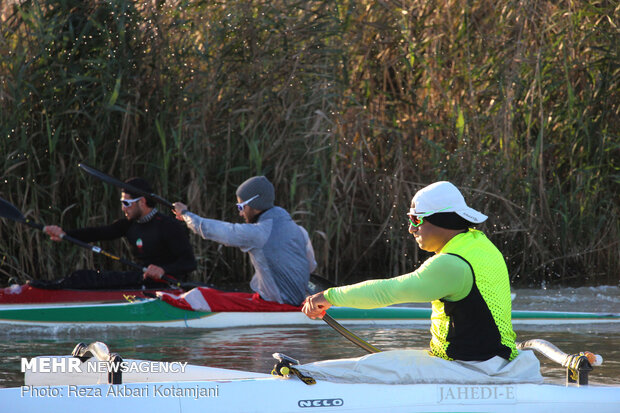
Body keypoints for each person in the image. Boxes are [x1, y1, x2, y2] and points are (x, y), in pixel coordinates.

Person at [303, 181, 518, 362]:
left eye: (416, 219)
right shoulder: (480, 244)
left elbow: (387, 292)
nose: (411, 228)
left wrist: (329, 295)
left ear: (441, 220)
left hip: (472, 369)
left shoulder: (451, 264)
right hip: (491, 360)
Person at [172, 176, 317, 306]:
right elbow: (311, 266)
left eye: (241, 206)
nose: (240, 213)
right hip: (299, 303)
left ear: (255, 204)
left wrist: (185, 214)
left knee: (197, 296)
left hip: (276, 306)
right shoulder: (300, 230)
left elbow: (212, 230)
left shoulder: (259, 233)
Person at [41, 178, 197, 289]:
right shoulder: (129, 224)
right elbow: (98, 233)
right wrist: (64, 233)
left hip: (166, 284)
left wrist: (164, 270)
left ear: (142, 202)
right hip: (140, 280)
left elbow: (189, 263)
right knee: (82, 277)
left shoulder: (169, 226)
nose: (123, 208)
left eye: (126, 203)